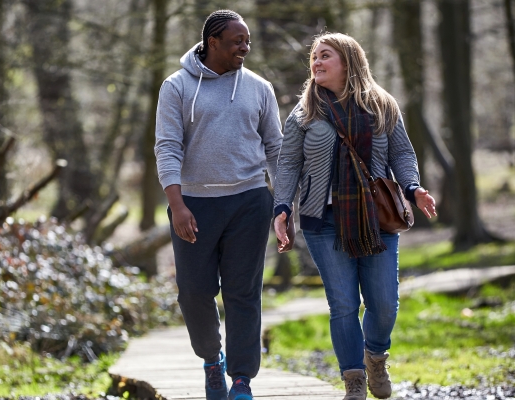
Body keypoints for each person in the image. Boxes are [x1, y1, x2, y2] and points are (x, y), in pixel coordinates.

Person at [273, 32, 437, 400]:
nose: (316, 62)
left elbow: (402, 155)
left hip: (376, 218)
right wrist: (282, 208)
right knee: (343, 304)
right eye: (313, 56)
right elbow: (288, 166)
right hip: (322, 220)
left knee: (383, 303)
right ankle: (354, 382)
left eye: (324, 55)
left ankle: (375, 356)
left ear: (348, 62)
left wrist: (413, 188)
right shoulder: (304, 114)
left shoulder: (382, 106)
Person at [154, 10, 282, 400]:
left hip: (249, 201)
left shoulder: (259, 87)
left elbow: (276, 148)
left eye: (247, 41)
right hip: (194, 204)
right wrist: (176, 204)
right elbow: (167, 146)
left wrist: (284, 205)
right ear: (212, 42)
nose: (245, 46)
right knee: (193, 291)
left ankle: (242, 379)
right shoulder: (176, 87)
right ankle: (212, 361)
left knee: (243, 293)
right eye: (236, 41)